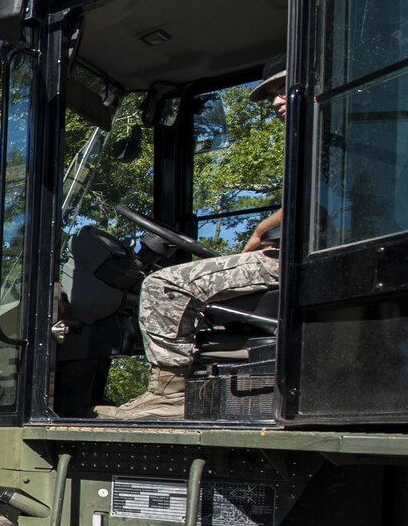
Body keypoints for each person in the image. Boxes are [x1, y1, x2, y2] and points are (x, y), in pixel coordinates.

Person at [101, 58, 288, 421]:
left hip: (289, 262)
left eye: (283, 90)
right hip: (295, 259)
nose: (278, 102)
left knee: (162, 285)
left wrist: (260, 231)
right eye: (273, 97)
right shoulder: (315, 138)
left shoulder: (323, 137)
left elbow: (310, 204)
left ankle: (168, 395)